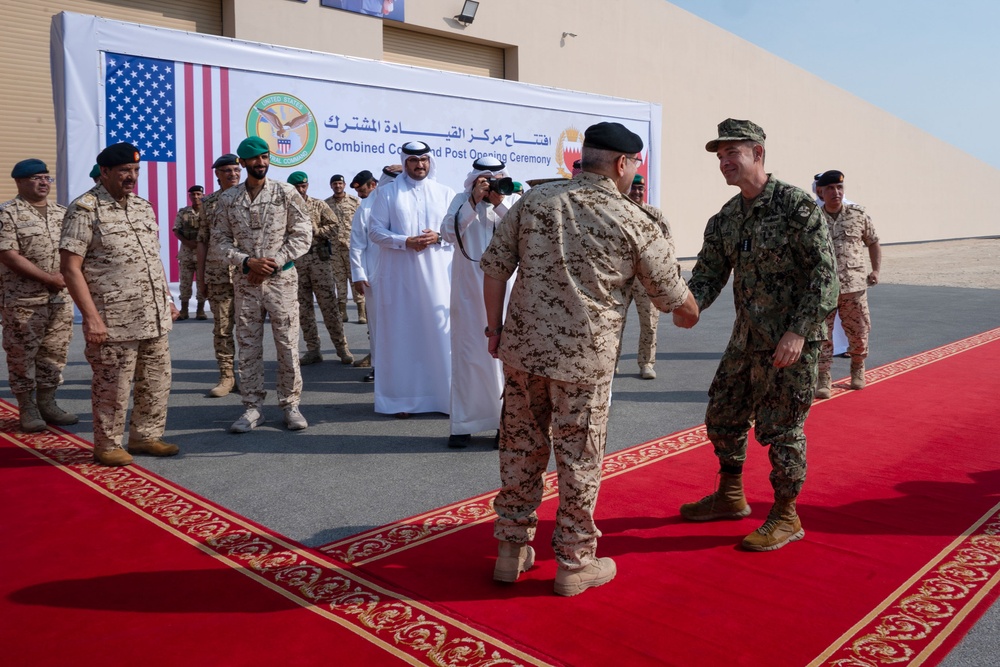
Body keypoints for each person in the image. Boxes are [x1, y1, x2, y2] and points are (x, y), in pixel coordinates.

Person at [481, 122, 699, 595]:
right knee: (579, 459)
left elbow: (495, 267)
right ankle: (575, 562)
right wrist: (690, 312)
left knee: (520, 446)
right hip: (583, 364)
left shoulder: (535, 201)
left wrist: (494, 330)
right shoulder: (632, 219)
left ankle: (510, 549)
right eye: (635, 165)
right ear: (622, 164)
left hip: (521, 352)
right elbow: (675, 299)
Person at [679, 119, 838, 551]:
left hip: (790, 342)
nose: (725, 163)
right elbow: (709, 274)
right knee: (723, 415)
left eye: (733, 153)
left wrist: (799, 332)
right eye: (720, 156)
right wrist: (688, 305)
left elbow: (826, 277)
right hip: (746, 339)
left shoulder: (796, 207)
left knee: (782, 428)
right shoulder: (726, 218)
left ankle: (787, 514)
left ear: (758, 154)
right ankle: (731, 496)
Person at [60, 142, 180, 466]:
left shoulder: (143, 206)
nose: (132, 176)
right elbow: (70, 268)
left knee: (156, 380)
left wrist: (167, 299)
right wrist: (91, 318)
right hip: (114, 319)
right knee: (113, 386)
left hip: (152, 315)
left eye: (136, 170)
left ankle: (145, 436)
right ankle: (107, 444)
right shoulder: (85, 209)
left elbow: (152, 258)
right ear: (105, 172)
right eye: (125, 170)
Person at [214, 137, 312, 433]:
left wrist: (273, 262)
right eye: (254, 159)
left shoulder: (285, 192)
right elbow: (219, 241)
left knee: (287, 344)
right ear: (242, 163)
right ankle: (252, 408)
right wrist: (246, 262)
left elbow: (303, 233)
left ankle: (291, 404)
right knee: (248, 347)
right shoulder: (228, 199)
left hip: (281, 282)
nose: (260, 163)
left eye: (265, 157)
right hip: (246, 284)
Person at [368, 142, 455, 417]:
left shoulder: (445, 193)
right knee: (401, 336)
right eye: (414, 160)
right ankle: (400, 400)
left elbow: (457, 231)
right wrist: (404, 241)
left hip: (438, 278)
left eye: (425, 160)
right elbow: (375, 231)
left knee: (438, 334)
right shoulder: (387, 193)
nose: (420, 165)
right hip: (399, 277)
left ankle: (444, 398)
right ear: (404, 163)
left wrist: (438, 237)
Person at [441, 157, 519, 449]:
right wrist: (473, 203)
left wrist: (499, 201)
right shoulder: (461, 200)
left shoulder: (512, 200)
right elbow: (448, 233)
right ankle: (464, 424)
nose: (491, 184)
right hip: (468, 292)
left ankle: (505, 424)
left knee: (506, 360)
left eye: (496, 178)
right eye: (485, 180)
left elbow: (522, 229)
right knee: (468, 356)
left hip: (508, 291)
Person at [0, 159, 76, 432]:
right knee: (22, 356)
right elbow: (8, 255)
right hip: (23, 301)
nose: (44, 182)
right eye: (36, 178)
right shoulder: (7, 214)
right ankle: (27, 408)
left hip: (58, 300)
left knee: (54, 353)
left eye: (47, 178)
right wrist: (49, 279)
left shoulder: (62, 213)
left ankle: (48, 403)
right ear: (20, 182)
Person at [813, 169, 881, 397]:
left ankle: (858, 368)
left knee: (859, 331)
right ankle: (823, 377)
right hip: (824, 289)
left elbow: (873, 242)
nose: (836, 192)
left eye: (840, 188)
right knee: (822, 334)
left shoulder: (857, 214)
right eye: (830, 188)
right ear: (821, 192)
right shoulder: (813, 218)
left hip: (854, 287)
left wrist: (876, 270)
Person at [288, 171, 354, 366]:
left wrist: (316, 231)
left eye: (304, 186)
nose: (301, 190)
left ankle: (342, 348)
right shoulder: (284, 208)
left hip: (319, 261)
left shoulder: (318, 205)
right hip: (297, 263)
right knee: (303, 309)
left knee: (329, 306)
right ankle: (313, 350)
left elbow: (334, 225)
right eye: (297, 187)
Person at [197, 154, 242, 398]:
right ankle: (227, 376)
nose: (232, 174)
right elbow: (202, 240)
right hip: (218, 275)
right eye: (226, 170)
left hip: (248, 275)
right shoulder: (208, 203)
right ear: (217, 174)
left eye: (236, 169)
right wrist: (201, 278)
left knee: (248, 329)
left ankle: (248, 374)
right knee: (223, 328)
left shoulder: (252, 197)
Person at [348, 167, 394, 377]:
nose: (360, 194)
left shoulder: (397, 202)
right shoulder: (365, 208)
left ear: (374, 184)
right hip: (373, 276)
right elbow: (357, 244)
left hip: (401, 273)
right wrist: (358, 274)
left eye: (362, 190)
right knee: (377, 324)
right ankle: (378, 367)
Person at [624, 173, 661, 380]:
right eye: (634, 188)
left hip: (645, 279)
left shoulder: (654, 215)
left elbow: (667, 245)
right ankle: (612, 362)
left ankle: (646, 363)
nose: (637, 192)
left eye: (641, 189)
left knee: (649, 322)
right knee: (614, 322)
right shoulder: (617, 213)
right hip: (620, 277)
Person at [324, 174, 361, 323]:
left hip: (352, 247)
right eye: (335, 184)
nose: (337, 186)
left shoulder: (354, 202)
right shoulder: (326, 204)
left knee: (355, 279)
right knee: (338, 280)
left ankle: (361, 312)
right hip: (335, 248)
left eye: (340, 183)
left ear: (344, 185)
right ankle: (342, 312)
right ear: (331, 186)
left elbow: (361, 222)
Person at [173, 184, 206, 321]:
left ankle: (200, 310)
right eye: (193, 194)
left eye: (198, 194)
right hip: (186, 252)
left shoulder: (207, 212)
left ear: (202, 195)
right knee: (185, 282)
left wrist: (200, 245)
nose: (196, 197)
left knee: (201, 281)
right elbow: (176, 230)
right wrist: (187, 243)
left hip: (202, 253)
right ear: (190, 196)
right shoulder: (183, 212)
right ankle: (184, 310)